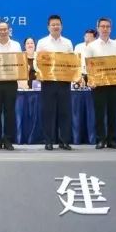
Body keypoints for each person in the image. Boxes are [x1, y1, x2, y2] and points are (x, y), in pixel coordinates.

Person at [86, 17, 116, 149]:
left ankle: (112, 140)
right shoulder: (91, 46)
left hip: (114, 85)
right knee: (99, 114)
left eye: (107, 27)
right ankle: (100, 140)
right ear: (98, 28)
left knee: (113, 113)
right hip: (98, 85)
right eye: (102, 26)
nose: (105, 29)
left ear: (111, 29)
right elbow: (87, 66)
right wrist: (90, 80)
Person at [36, 14, 75, 151]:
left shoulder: (68, 43)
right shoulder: (42, 42)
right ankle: (48, 141)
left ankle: (64, 141)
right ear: (48, 27)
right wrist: (40, 73)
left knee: (65, 112)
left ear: (61, 26)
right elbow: (37, 61)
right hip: (48, 82)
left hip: (64, 82)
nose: (55, 27)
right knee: (48, 112)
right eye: (53, 24)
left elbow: (72, 62)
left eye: (58, 24)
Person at [0, 21, 22, 150]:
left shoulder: (16, 45)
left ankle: (8, 140)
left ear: (9, 30)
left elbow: (20, 63)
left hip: (11, 83)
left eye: (5, 29)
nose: (3, 32)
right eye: (0, 29)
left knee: (9, 112)